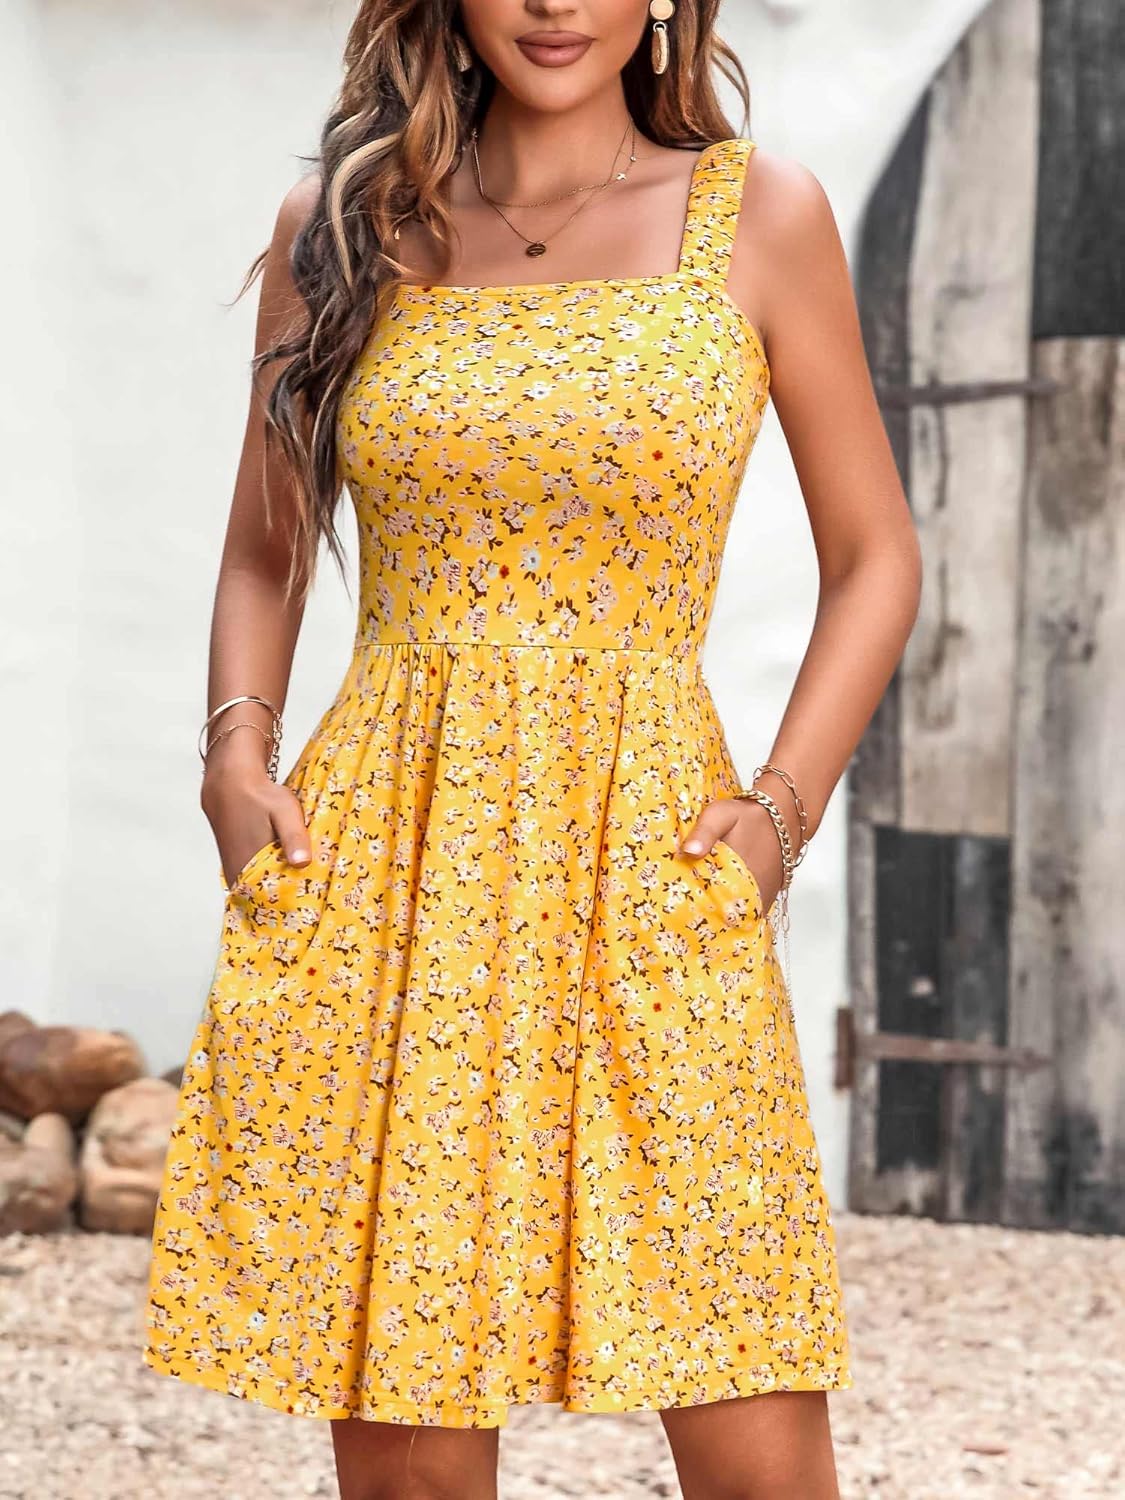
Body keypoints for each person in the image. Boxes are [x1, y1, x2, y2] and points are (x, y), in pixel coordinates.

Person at [142, 3, 922, 1497]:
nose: (554, 4)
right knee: (411, 1435)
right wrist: (234, 760)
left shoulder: (759, 215)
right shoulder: (343, 227)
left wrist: (777, 813)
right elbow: (263, 547)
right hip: (389, 853)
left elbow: (875, 556)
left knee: (745, 1395)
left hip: (653, 846)